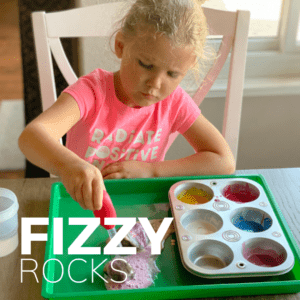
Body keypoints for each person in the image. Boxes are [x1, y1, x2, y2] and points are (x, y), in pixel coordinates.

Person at [18, 0, 235, 212]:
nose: (155, 84)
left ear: (189, 66)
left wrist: (151, 170)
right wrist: (70, 166)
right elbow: (31, 137)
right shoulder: (93, 92)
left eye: (172, 73)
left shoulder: (174, 102)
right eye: (146, 65)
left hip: (144, 207)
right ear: (120, 45)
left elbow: (223, 161)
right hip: (83, 205)